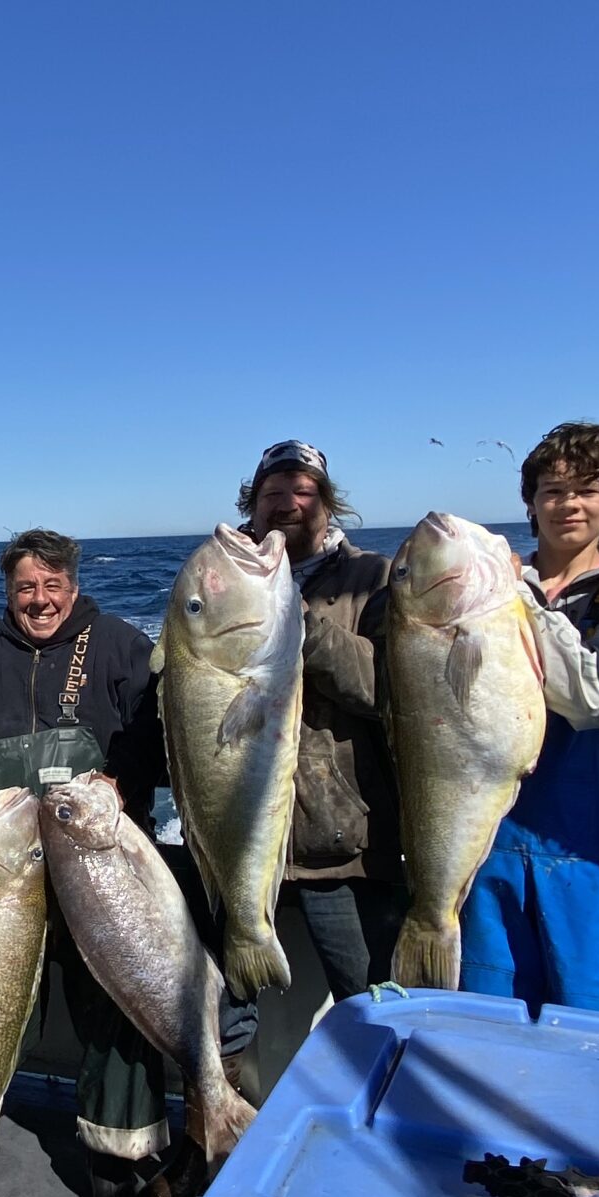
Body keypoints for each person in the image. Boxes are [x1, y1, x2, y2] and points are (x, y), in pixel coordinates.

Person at [0, 528, 173, 1197]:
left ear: (74, 586)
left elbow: (155, 731)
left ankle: (117, 1170)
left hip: (100, 863)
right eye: (26, 587)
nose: (40, 600)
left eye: (53, 585)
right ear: (8, 592)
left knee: (112, 1020)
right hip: (9, 870)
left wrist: (123, 779)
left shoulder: (117, 642)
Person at [456, 424, 599, 1015]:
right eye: (552, 490)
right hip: (488, 829)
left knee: (598, 1011)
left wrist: (516, 597)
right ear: (530, 502)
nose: (568, 504)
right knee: (489, 1009)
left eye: (588, 490)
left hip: (592, 843)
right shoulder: (482, 591)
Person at [228, 440, 404, 1031]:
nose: (287, 505)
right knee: (219, 1011)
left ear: (328, 504)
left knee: (373, 1007)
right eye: (272, 495)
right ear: (252, 506)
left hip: (342, 849)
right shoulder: (223, 578)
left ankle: (386, 1119)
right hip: (240, 841)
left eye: (302, 492)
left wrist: (300, 624)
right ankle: (226, 1119)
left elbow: (384, 690)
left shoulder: (372, 577)